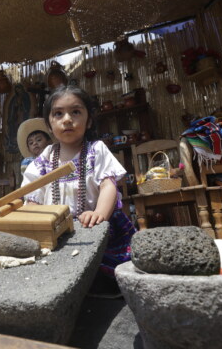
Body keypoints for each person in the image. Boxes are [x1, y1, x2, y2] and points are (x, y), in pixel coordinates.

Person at [21, 85, 136, 297]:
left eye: (75, 112)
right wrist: (34, 220)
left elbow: (108, 185)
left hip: (95, 230)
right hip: (55, 233)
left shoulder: (97, 150)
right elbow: (33, 197)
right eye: (58, 114)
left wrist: (99, 214)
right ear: (49, 124)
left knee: (105, 275)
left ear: (89, 120)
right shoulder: (43, 160)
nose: (67, 119)